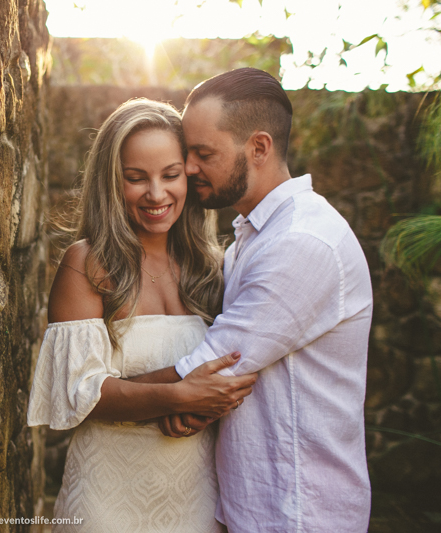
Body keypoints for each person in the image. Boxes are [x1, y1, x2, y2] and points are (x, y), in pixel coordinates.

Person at [27, 98, 257, 533]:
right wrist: (180, 397)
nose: (156, 193)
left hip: (198, 499)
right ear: (111, 183)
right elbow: (79, 394)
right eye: (136, 178)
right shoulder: (87, 264)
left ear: (189, 175)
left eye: (170, 175)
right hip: (105, 502)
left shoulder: (214, 267)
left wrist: (197, 404)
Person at [164, 68, 373, 532]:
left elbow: (209, 369)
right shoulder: (251, 238)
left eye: (203, 153)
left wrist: (103, 395)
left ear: (259, 147)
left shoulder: (301, 241)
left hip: (301, 512)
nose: (189, 168)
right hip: (256, 506)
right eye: (188, 152)